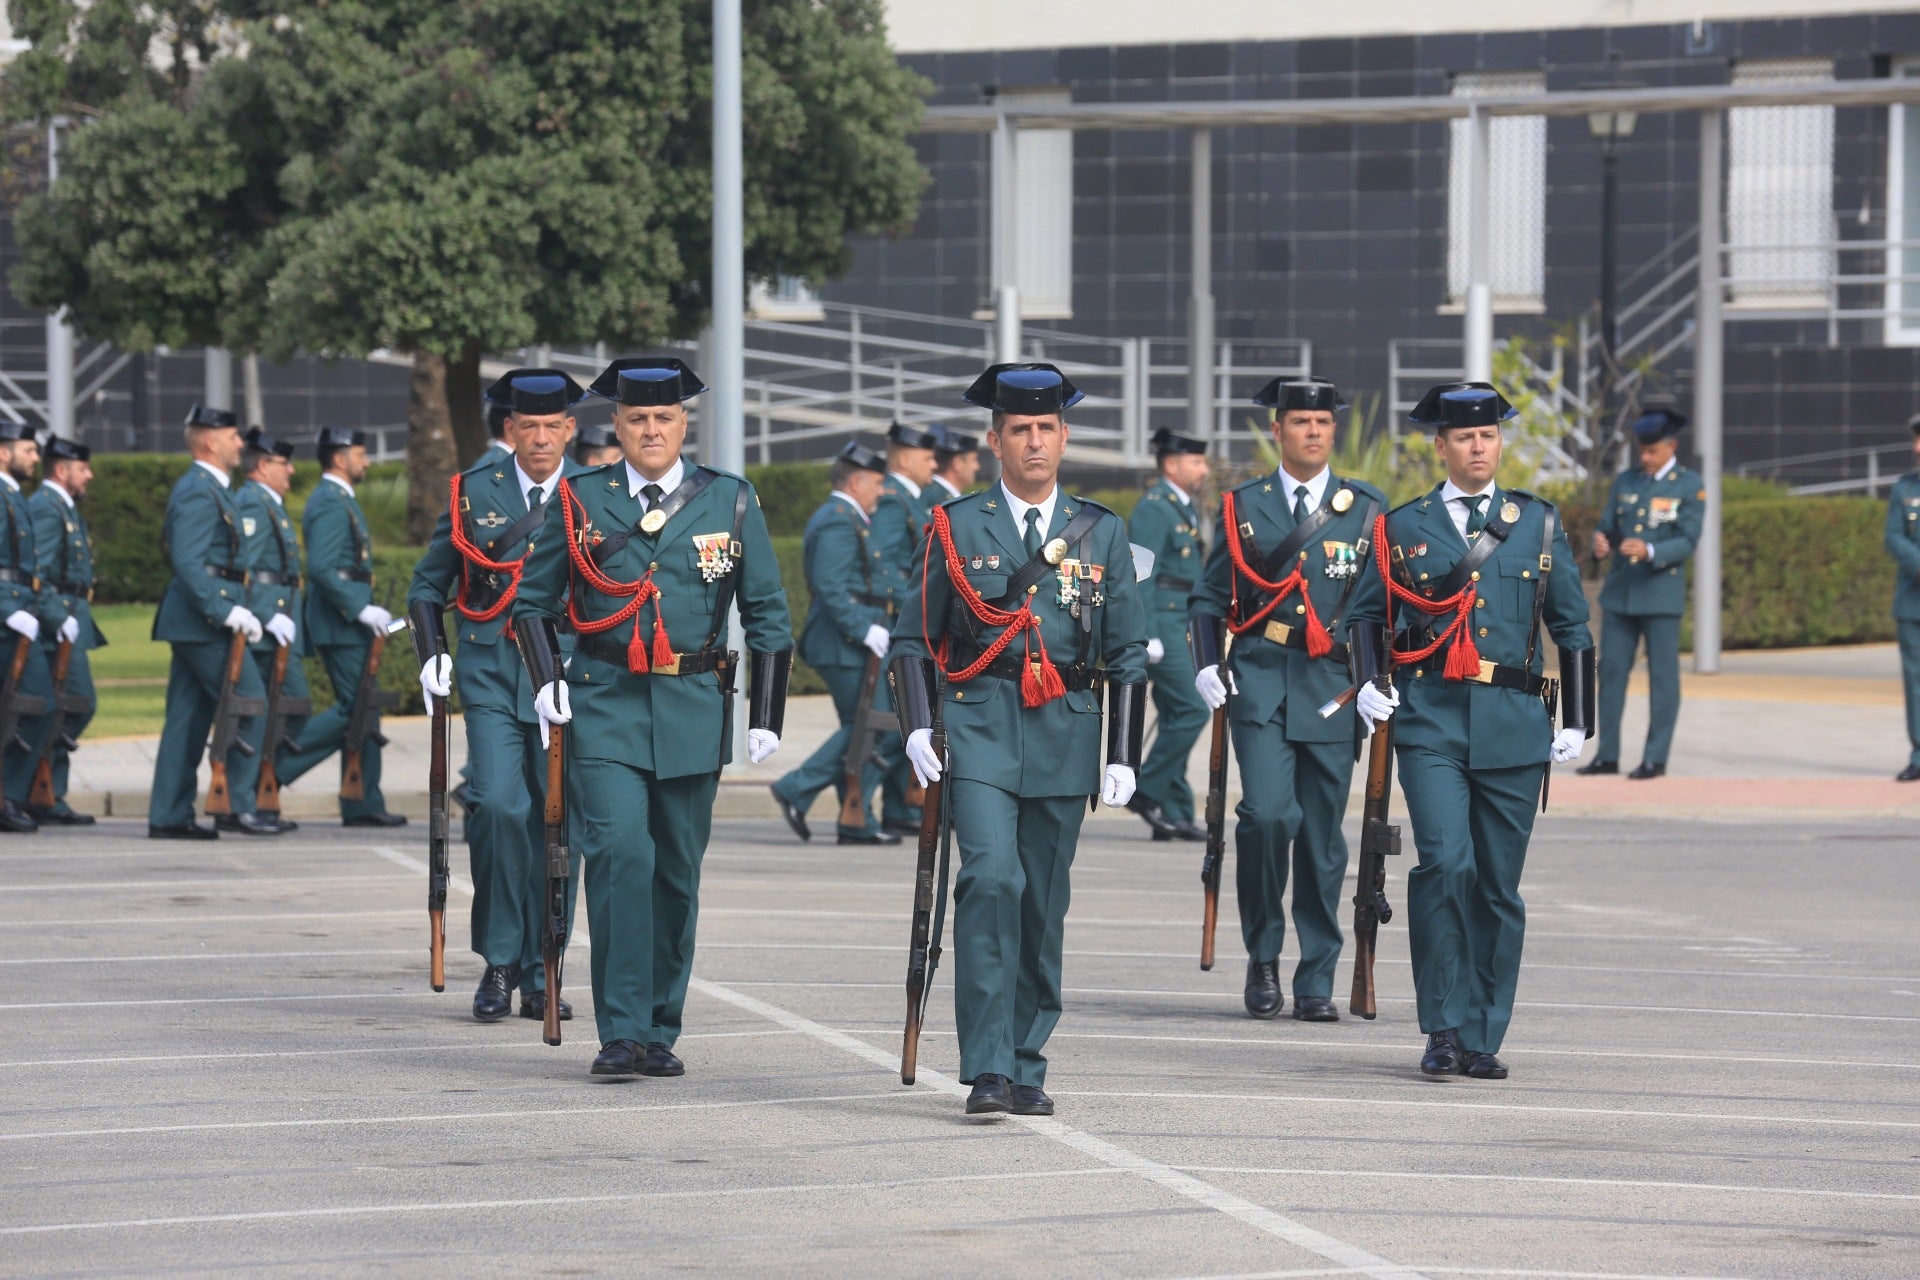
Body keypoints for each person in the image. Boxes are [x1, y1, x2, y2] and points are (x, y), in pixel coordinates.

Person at [511, 356, 793, 1079]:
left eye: (664, 418)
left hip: (693, 710)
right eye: (637, 418)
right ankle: (621, 1030)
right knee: (618, 859)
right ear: (617, 425)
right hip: (604, 705)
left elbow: (767, 612)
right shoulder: (580, 500)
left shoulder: (728, 500)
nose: (650, 430)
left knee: (674, 874)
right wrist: (548, 682)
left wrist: (766, 712)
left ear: (683, 424)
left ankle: (661, 1028)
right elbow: (533, 605)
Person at [889, 361, 1148, 1118]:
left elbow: (1129, 650)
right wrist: (914, 729)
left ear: (1063, 437)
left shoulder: (1103, 531)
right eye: (1019, 431)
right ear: (995, 441)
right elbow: (913, 638)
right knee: (991, 880)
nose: (1034, 443)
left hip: (1065, 728)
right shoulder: (956, 526)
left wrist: (1124, 752)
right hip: (978, 722)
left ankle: (1029, 1059)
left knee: (1041, 904)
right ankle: (987, 1066)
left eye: (1046, 429)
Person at [1349, 381, 1593, 1080]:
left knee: (1495, 886)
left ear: (1499, 443)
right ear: (1442, 446)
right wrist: (1370, 679)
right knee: (1443, 866)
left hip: (1514, 725)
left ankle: (1485, 1032)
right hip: (1430, 721)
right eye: (1464, 437)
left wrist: (1579, 717)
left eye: (1488, 436)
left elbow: (1571, 626)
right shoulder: (1402, 527)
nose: (1478, 447)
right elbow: (1367, 615)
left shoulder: (1537, 524)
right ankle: (1443, 1025)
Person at [1188, 379, 1387, 1021]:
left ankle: (1318, 976)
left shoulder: (1366, 509)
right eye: (1300, 421)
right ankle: (1264, 955)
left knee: (1325, 838)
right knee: (1268, 817)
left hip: (1332, 688)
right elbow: (1208, 598)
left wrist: (1377, 677)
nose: (1312, 432)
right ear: (1277, 430)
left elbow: (1379, 608)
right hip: (1264, 680)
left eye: (1322, 422)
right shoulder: (1244, 505)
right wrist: (1205, 662)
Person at [413, 368, 584, 1023]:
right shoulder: (470, 492)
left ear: (570, 429)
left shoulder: (593, 495)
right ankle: (500, 960)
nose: (540, 438)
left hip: (566, 679)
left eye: (552, 426)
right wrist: (432, 652)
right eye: (528, 427)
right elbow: (429, 585)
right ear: (509, 430)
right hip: (490, 673)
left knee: (560, 824)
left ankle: (546, 965)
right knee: (499, 809)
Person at [770, 439, 904, 845]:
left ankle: (855, 817)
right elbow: (831, 587)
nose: (882, 491)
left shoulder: (849, 517)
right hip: (843, 644)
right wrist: (866, 628)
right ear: (858, 481)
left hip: (852, 642)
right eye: (878, 482)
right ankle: (798, 787)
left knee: (869, 728)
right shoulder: (837, 520)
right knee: (875, 726)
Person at [147, 406, 273, 840]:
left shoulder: (212, 488)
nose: (241, 444)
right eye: (233, 436)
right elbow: (188, 561)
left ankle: (169, 814)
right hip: (204, 621)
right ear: (209, 442)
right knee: (250, 703)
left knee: (187, 717)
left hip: (197, 621)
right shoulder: (200, 490)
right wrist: (226, 610)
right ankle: (235, 806)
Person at [274, 427, 407, 827]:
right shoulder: (331, 502)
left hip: (347, 622)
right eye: (360, 454)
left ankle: (362, 800)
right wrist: (359, 609)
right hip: (341, 624)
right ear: (338, 458)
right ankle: (275, 768)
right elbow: (322, 568)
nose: (366, 462)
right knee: (356, 708)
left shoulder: (339, 499)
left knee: (365, 710)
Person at [1578, 401, 1704, 780]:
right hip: (1621, 594)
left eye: (1653, 450)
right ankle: (1607, 753)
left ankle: (1655, 757)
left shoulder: (1689, 486)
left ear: (1670, 447)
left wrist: (1650, 550)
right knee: (1612, 672)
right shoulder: (1627, 481)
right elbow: (1606, 525)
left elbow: (1688, 539)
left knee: (1663, 678)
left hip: (1660, 594)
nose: (1646, 458)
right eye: (1642, 451)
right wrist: (1601, 544)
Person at [1124, 426, 1210, 842]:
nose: (1204, 469)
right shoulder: (1155, 507)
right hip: (1165, 620)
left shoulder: (1183, 506)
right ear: (1171, 464)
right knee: (1193, 709)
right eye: (1196, 461)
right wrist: (1148, 632)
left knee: (1178, 713)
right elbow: (1141, 569)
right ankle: (1148, 788)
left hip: (1183, 620)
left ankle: (1172, 810)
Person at [221, 428, 304, 835]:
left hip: (282, 624)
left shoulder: (269, 502)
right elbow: (246, 568)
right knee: (259, 710)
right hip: (266, 626)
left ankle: (256, 793)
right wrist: (265, 613)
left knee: (286, 708)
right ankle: (240, 800)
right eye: (281, 462)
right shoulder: (252, 502)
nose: (289, 470)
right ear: (261, 466)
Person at [23, 437, 101, 826]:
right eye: (82, 468)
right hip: (58, 622)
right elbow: (38, 572)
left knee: (70, 705)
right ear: (61, 470)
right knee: (75, 702)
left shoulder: (61, 507)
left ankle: (48, 790)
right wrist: (55, 617)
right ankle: (35, 787)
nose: (89, 475)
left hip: (71, 618)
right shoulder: (47, 509)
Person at [872, 421, 941, 834]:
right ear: (903, 457)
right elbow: (883, 565)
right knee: (894, 716)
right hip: (900, 621)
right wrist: (925, 598)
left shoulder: (910, 500)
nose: (934, 463)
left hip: (911, 618)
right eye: (926, 455)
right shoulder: (892, 500)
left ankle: (901, 807)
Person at [0, 423, 52, 834]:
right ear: (4, 453)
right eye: (29, 450)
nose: (36, 458)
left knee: (31, 705)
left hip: (19, 615)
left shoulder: (13, 496)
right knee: (36, 703)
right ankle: (9, 796)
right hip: (6, 619)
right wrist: (7, 608)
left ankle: (9, 796)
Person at [1889, 414, 1920, 782]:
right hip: (1913, 602)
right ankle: (1918, 753)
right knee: (1915, 681)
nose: (1916, 448)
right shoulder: (1904, 489)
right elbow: (1893, 536)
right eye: (1915, 440)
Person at [927, 423, 981, 508]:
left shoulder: (939, 495)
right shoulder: (940, 501)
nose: (977, 467)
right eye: (973, 460)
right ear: (957, 463)